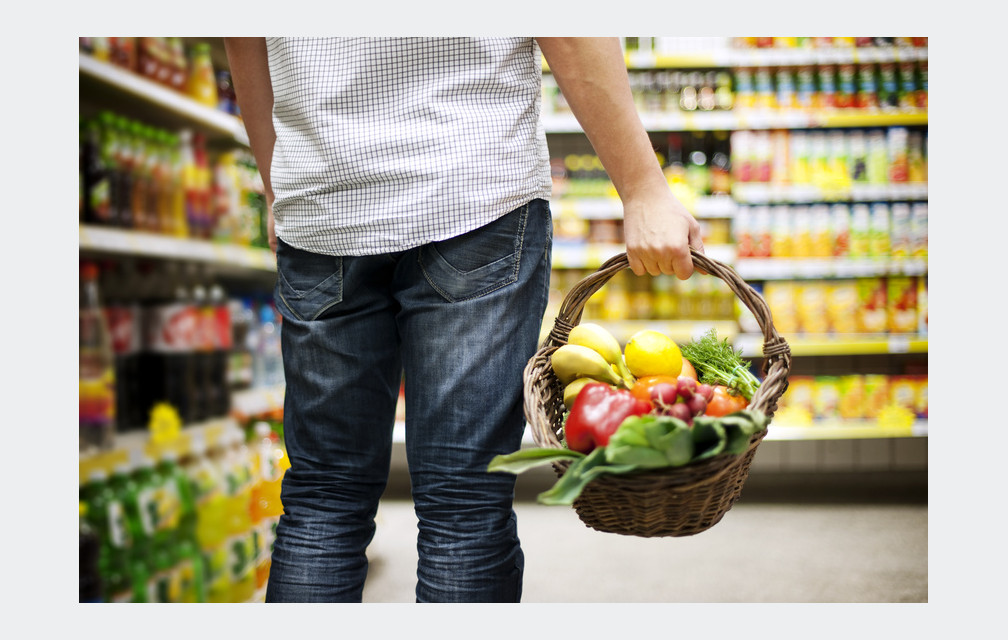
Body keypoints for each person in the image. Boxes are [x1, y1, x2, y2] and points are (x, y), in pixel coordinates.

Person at [224, 36, 704, 603]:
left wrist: (279, 184)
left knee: (323, 497)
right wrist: (644, 186)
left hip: (323, 205)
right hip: (470, 191)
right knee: (463, 503)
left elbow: (243, 34)